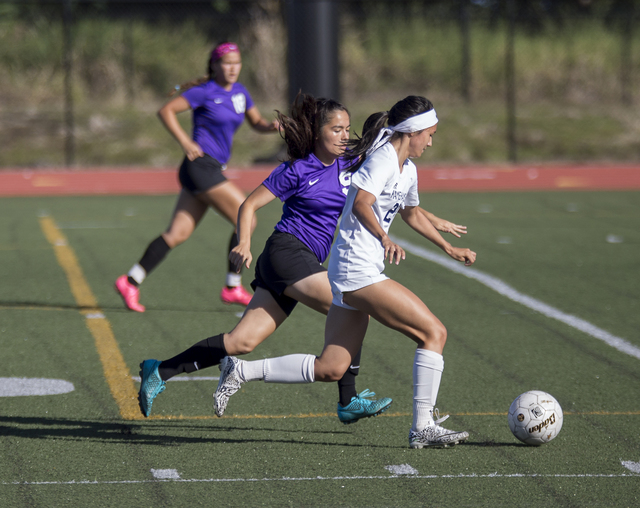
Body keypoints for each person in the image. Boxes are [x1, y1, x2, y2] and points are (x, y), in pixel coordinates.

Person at [137, 94, 466, 424]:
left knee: (241, 342)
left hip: (296, 263)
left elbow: (394, 196)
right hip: (286, 253)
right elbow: (248, 205)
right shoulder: (297, 169)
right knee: (356, 304)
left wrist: (437, 223)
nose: (343, 136)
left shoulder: (352, 164)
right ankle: (348, 399)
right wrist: (245, 243)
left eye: (347, 129)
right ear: (317, 132)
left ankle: (160, 370)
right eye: (335, 129)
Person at [213, 96, 477, 449]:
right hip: (358, 271)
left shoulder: (408, 168)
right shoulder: (382, 159)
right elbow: (362, 203)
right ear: (412, 131)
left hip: (353, 270)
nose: (431, 141)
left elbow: (411, 213)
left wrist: (447, 247)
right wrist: (383, 237)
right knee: (433, 332)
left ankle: (240, 371)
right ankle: (423, 426)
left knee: (332, 367)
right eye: (429, 134)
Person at [115, 42, 279, 312]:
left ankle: (130, 280)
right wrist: (185, 142)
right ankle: (232, 286)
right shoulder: (204, 92)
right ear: (214, 65)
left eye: (237, 62)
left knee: (176, 234)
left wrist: (272, 127)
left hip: (208, 170)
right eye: (226, 63)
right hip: (200, 167)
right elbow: (165, 111)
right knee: (246, 216)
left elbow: (256, 123)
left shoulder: (240, 92)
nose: (232, 68)